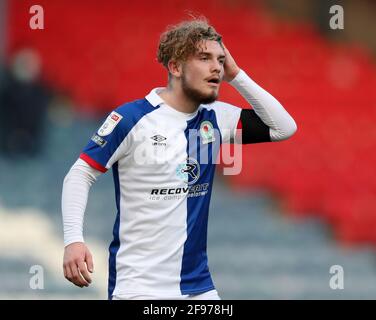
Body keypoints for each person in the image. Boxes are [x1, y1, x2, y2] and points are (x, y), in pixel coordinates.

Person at [62, 19, 297, 300]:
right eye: (204, 58)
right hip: (139, 287)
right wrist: (73, 239)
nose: (216, 67)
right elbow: (80, 174)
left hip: (198, 287)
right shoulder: (132, 119)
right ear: (175, 67)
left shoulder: (217, 118)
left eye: (220, 60)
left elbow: (284, 127)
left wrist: (237, 76)